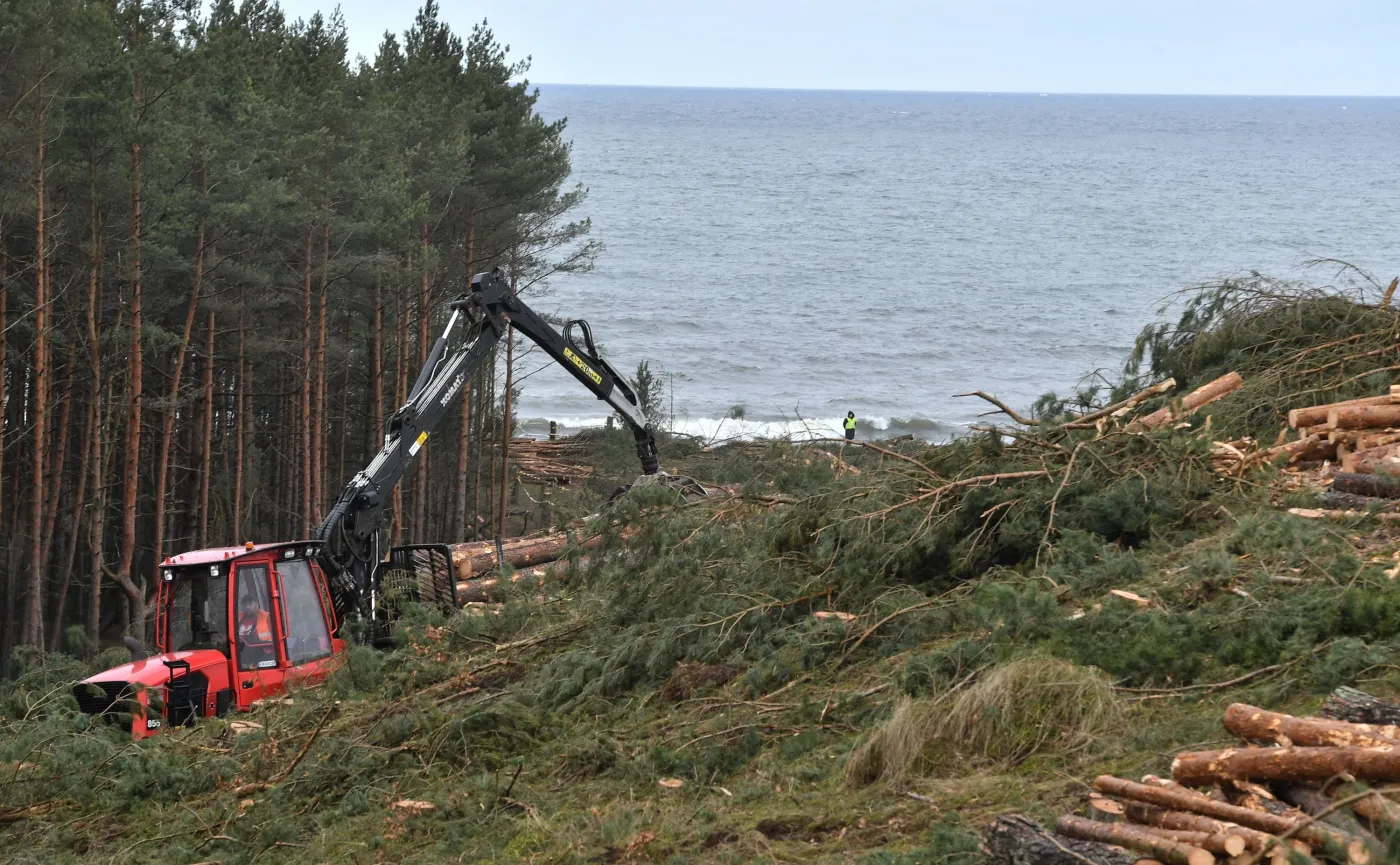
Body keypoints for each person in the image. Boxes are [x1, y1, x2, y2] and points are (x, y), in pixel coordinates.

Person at [237, 593, 274, 667]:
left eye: (250, 604)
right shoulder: (239, 617)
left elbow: (276, 638)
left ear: (257, 604)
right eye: (245, 605)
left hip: (263, 654)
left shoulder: (267, 617)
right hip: (241, 654)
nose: (247, 607)